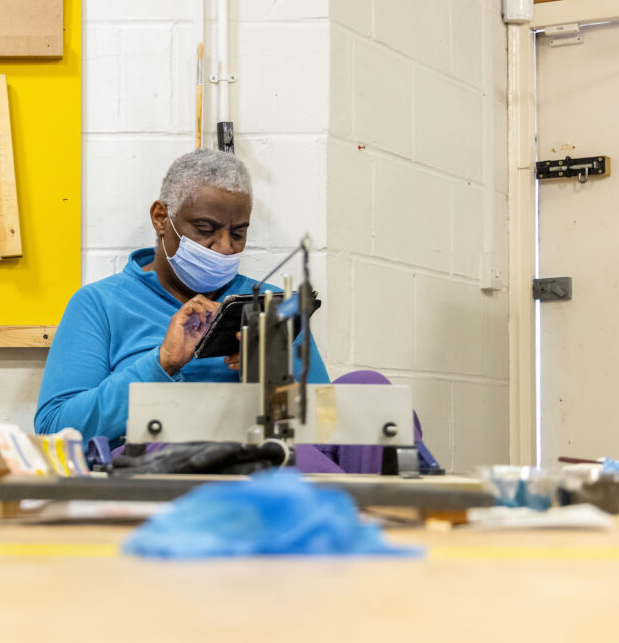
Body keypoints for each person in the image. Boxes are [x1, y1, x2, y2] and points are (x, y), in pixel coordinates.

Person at [34, 149, 438, 474]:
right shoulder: (100, 305)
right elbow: (55, 430)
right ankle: (339, 517)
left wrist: (267, 380)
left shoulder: (271, 305)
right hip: (177, 462)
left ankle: (364, 515)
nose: (225, 247)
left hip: (284, 455)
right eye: (206, 229)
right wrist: (162, 363)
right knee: (199, 428)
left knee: (367, 387)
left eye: (238, 233)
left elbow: (319, 422)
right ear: (162, 219)